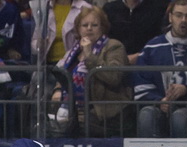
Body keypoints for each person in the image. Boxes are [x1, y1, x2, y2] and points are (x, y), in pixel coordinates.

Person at [134, 0, 187, 138]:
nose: (183, 20)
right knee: (147, 115)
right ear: (170, 17)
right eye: (178, 15)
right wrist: (159, 101)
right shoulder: (152, 47)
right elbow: (140, 83)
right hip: (158, 106)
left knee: (179, 118)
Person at [49, 6, 132, 137]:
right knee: (46, 123)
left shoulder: (114, 47)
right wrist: (57, 90)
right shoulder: (74, 50)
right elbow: (62, 74)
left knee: (70, 127)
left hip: (103, 111)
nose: (89, 28)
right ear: (78, 29)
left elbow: (113, 77)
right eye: (85, 25)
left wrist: (89, 56)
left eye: (94, 25)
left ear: (102, 28)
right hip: (72, 109)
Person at [102, 0, 169, 62]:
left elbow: (163, 39)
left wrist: (140, 55)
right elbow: (103, 39)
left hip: (148, 63)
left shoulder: (160, 8)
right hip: (115, 64)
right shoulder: (109, 9)